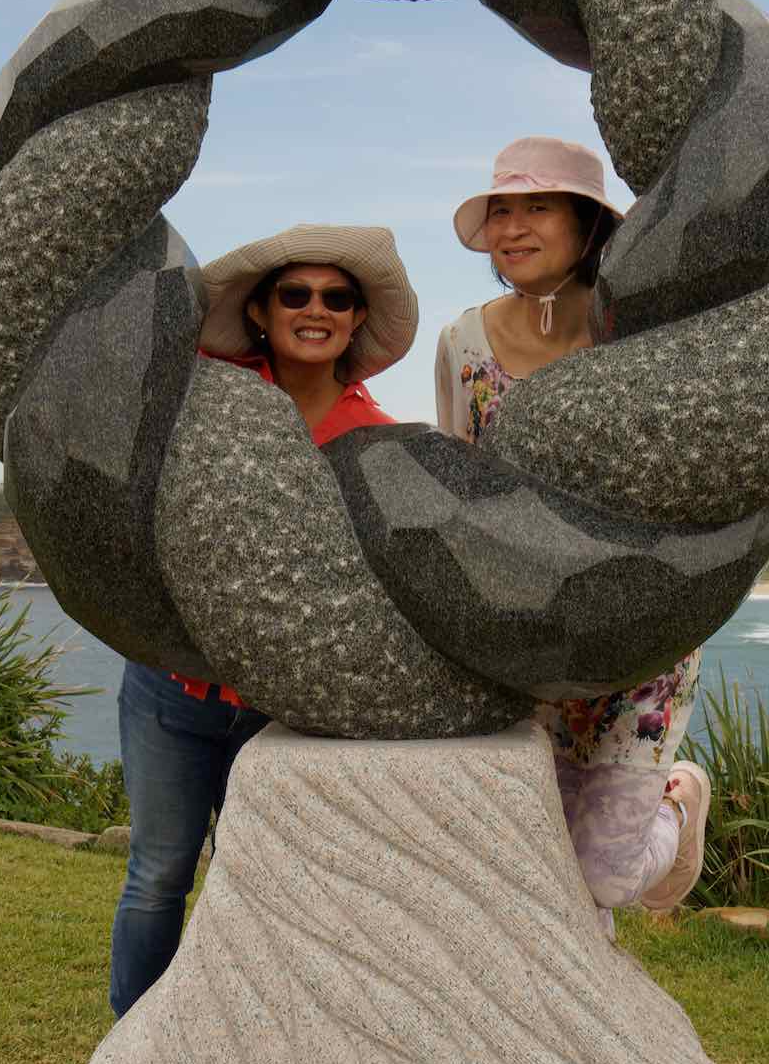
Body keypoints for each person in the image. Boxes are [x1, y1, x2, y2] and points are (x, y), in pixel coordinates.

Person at [107, 224, 416, 1018]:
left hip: (282, 712)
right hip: (170, 694)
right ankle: (131, 1053)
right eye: (296, 294)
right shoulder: (204, 400)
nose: (316, 310)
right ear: (261, 312)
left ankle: (232, 1049)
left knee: (260, 885)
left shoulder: (377, 442)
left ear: (354, 320)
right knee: (159, 874)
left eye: (337, 298)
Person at [432, 136, 711, 927]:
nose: (513, 229)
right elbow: (460, 486)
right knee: (536, 853)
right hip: (524, 638)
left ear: (589, 226)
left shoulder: (637, 336)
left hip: (639, 633)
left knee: (606, 874)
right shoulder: (464, 344)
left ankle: (682, 801)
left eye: (538, 207)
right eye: (500, 212)